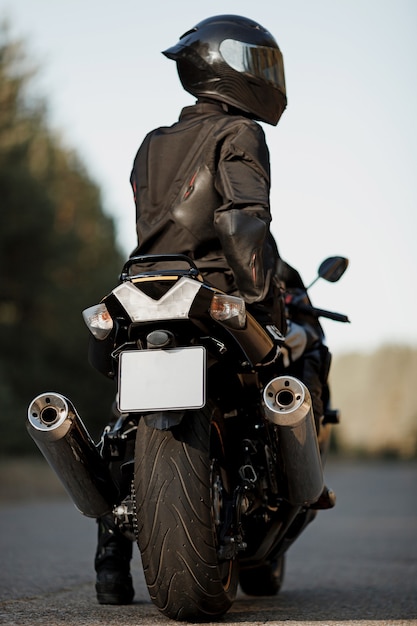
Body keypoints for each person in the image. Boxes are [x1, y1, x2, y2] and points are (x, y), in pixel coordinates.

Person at [94, 14, 330, 606]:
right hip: (215, 289)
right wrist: (260, 302)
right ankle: (294, 481)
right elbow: (241, 220)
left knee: (123, 421)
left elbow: (156, 228)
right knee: (282, 371)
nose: (266, 76)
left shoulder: (152, 143)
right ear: (228, 67)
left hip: (142, 290)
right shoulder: (240, 132)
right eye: (258, 63)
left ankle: (110, 558)